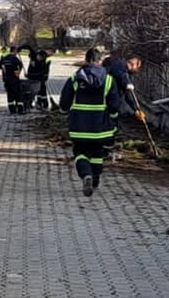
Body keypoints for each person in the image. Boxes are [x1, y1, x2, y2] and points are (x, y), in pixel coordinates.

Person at [59, 48, 122, 197]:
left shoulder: (76, 78)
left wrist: (63, 110)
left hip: (79, 126)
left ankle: (86, 175)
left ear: (86, 60)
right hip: (101, 127)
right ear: (100, 61)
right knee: (97, 153)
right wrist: (113, 116)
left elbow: (65, 101)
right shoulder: (108, 79)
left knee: (80, 152)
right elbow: (114, 104)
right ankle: (95, 178)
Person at [103, 53, 145, 161]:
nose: (137, 70)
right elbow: (121, 75)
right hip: (109, 103)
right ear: (134, 63)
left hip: (113, 103)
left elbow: (127, 96)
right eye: (138, 67)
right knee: (110, 128)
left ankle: (105, 150)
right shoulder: (120, 66)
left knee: (111, 127)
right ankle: (105, 151)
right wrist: (127, 83)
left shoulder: (124, 71)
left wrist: (136, 110)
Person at [0, 47, 24, 113]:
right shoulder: (15, 58)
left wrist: (3, 69)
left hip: (6, 79)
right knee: (18, 94)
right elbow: (20, 65)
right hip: (14, 80)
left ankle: (12, 110)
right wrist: (18, 72)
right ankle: (20, 110)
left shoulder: (5, 57)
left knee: (10, 95)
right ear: (15, 51)